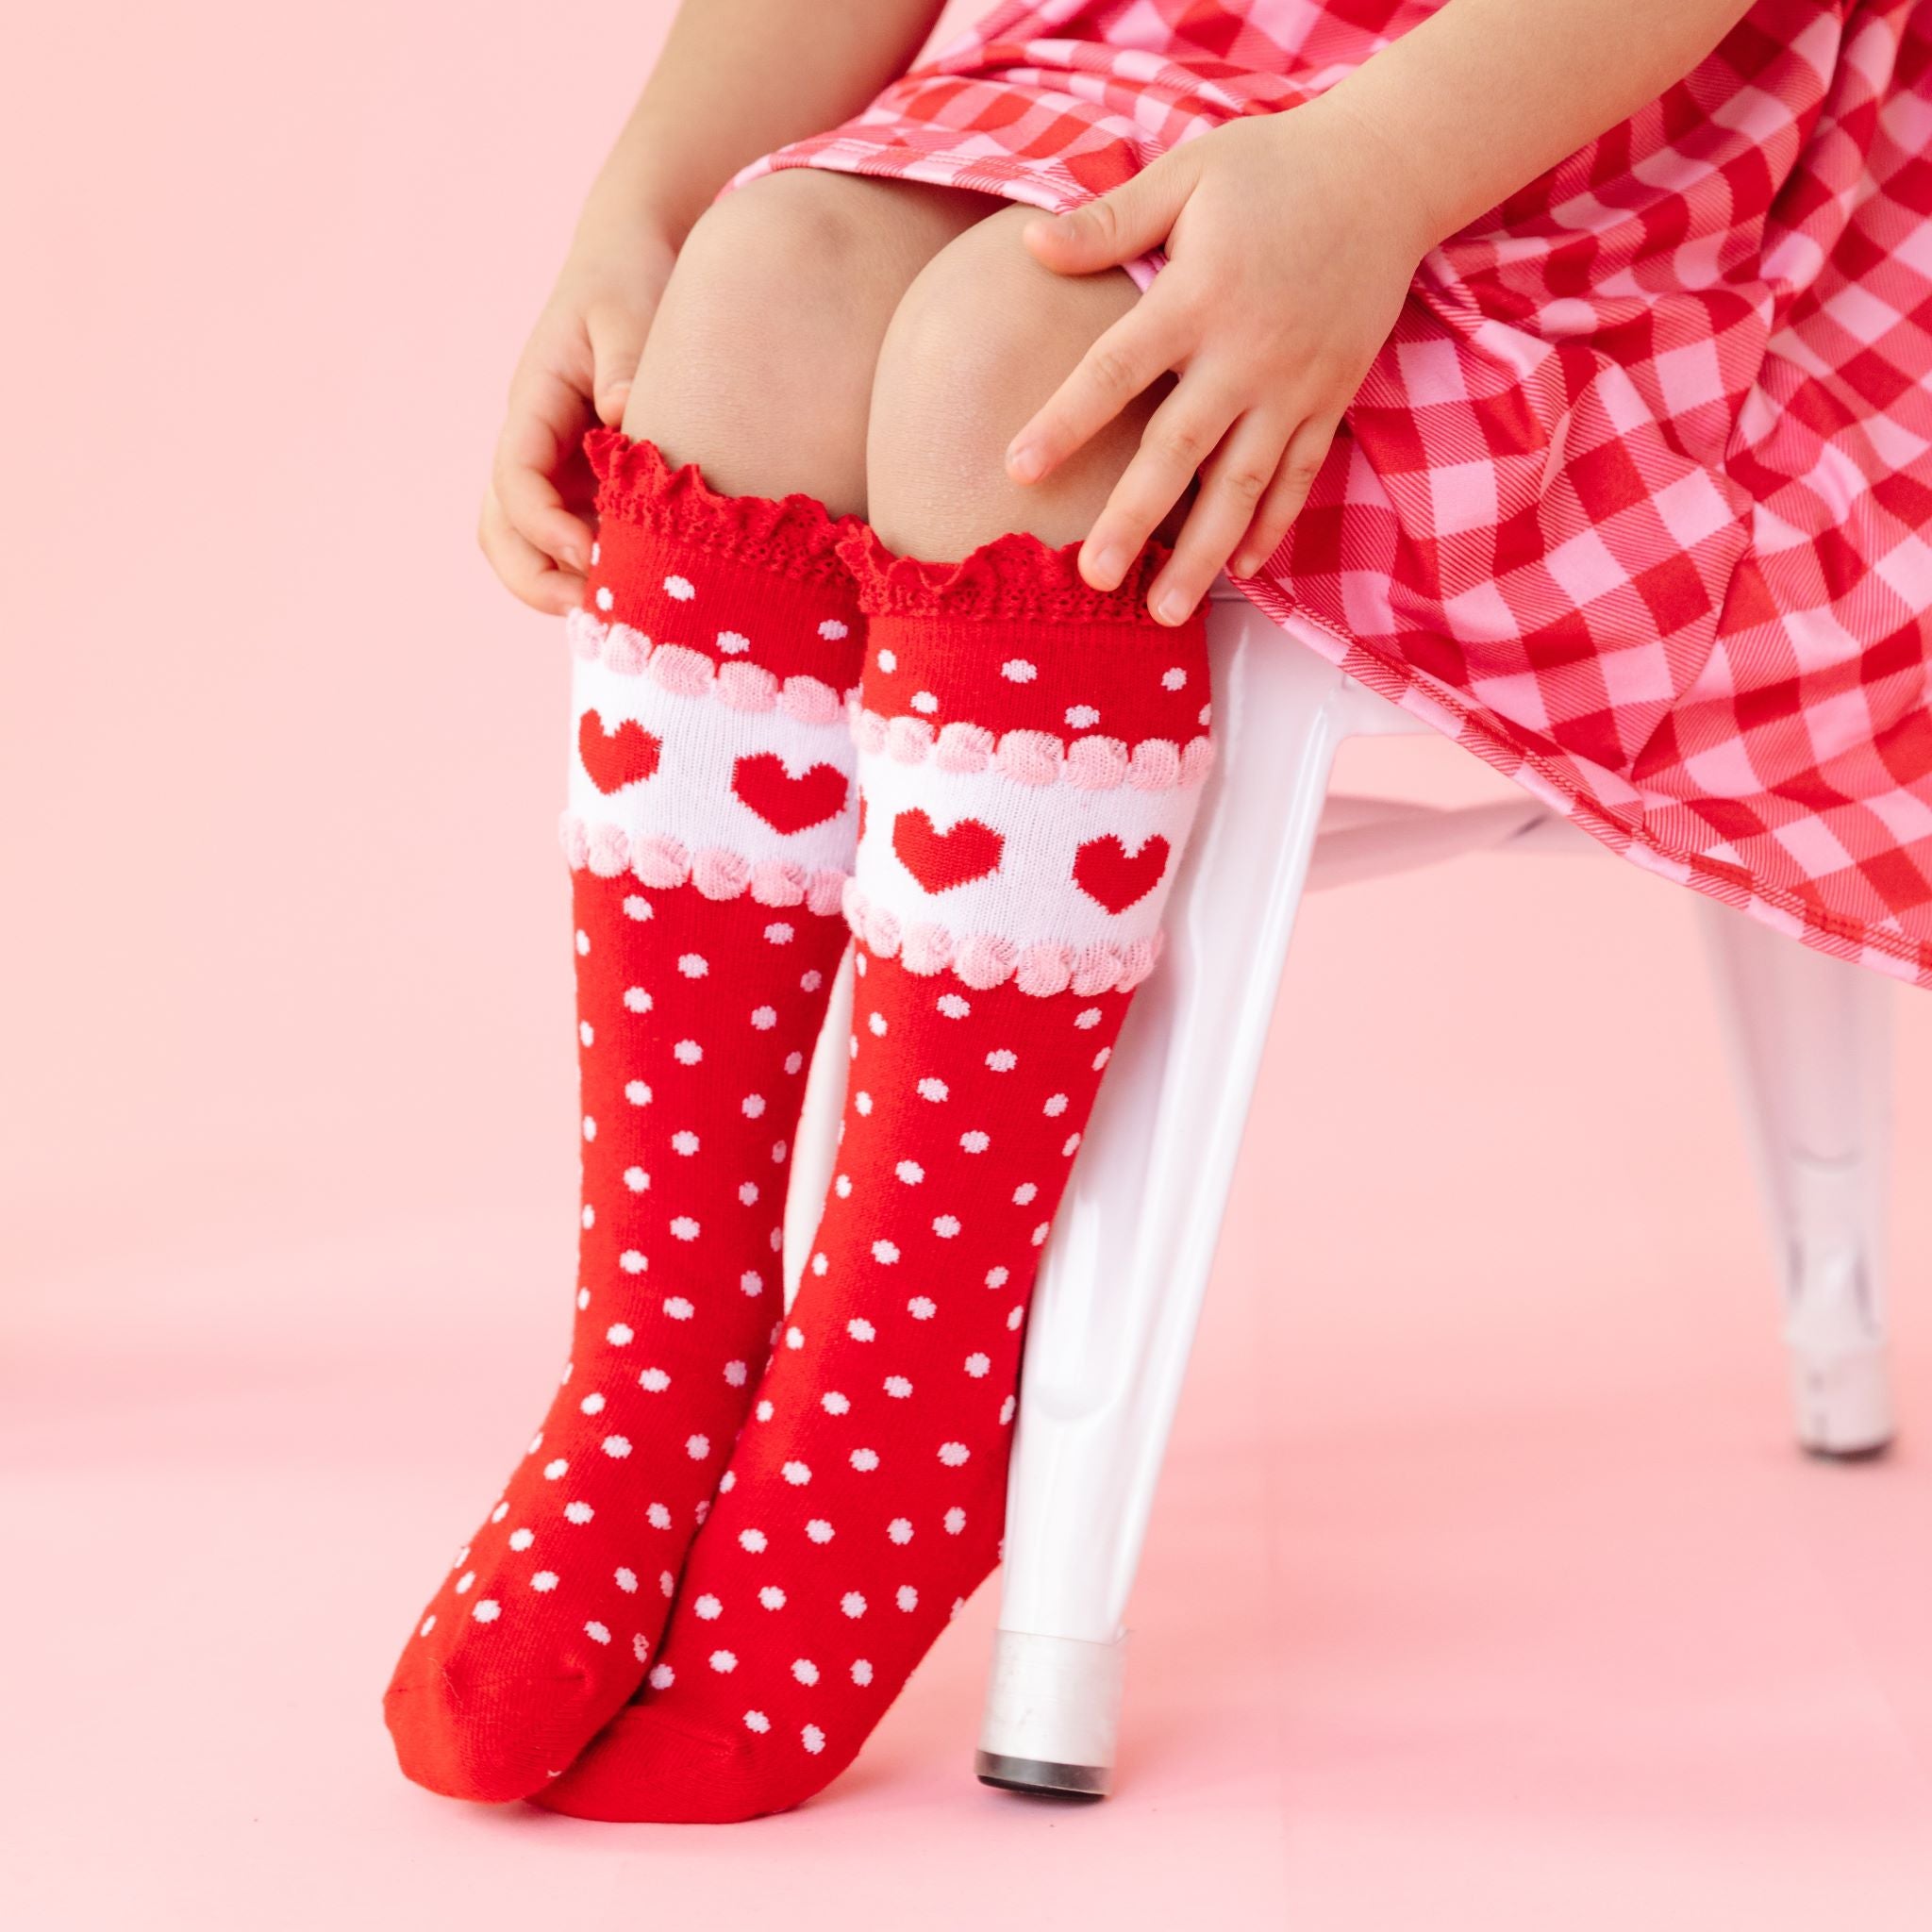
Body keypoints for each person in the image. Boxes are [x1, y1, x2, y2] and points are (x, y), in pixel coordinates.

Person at [386, 0, 1932, 1823]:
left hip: (1571, 143)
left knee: (1009, 367)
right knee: (758, 287)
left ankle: (903, 1392)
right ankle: (658, 1356)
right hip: (1138, 55)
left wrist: (1372, 172)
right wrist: (635, 202)